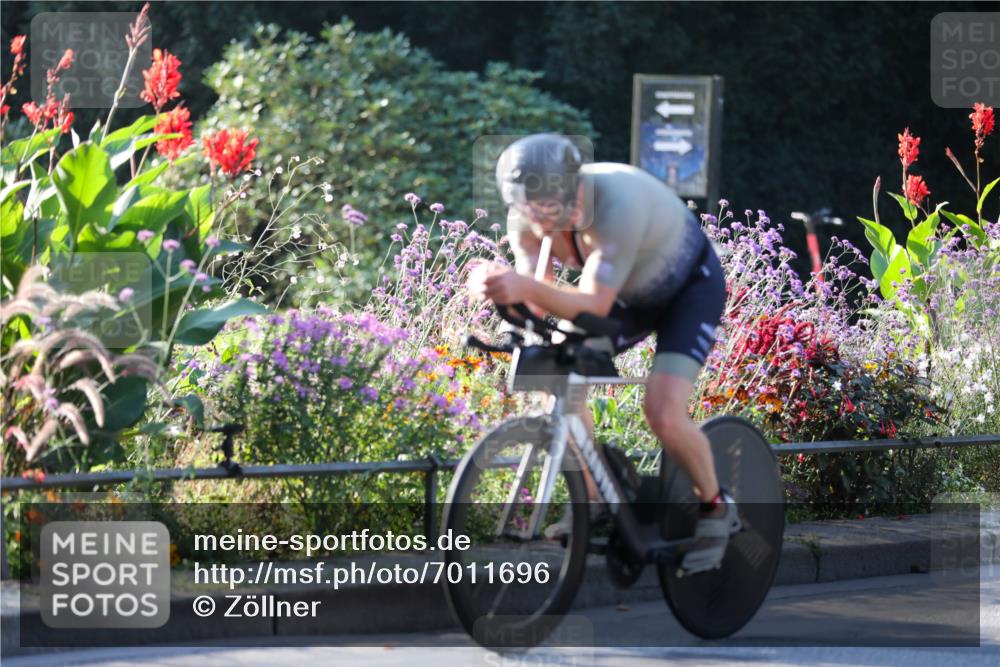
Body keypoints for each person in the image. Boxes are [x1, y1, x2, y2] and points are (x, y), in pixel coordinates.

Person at [467, 133, 740, 574]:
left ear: (576, 183)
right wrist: (497, 291)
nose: (545, 219)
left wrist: (521, 288)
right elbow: (534, 299)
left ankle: (715, 507)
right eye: (531, 209)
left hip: (687, 291)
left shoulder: (617, 203)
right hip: (626, 298)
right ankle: (592, 498)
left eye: (555, 204)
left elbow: (593, 303)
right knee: (555, 374)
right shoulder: (526, 221)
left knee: (663, 411)